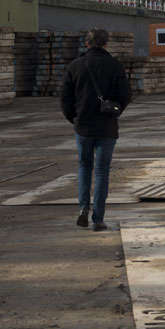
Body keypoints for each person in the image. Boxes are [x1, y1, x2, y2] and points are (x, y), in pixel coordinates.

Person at [61, 28, 131, 232]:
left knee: (84, 167)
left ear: (87, 43)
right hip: (107, 126)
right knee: (102, 171)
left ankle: (83, 207)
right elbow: (126, 95)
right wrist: (115, 111)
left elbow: (65, 98)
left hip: (83, 126)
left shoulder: (75, 66)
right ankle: (98, 218)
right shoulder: (115, 65)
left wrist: (73, 118)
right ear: (106, 44)